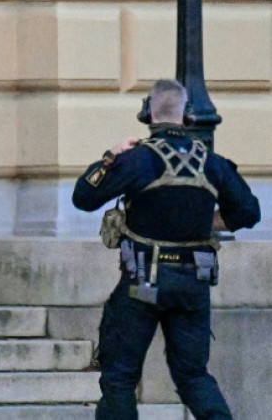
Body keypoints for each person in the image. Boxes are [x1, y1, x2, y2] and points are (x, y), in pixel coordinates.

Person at [72, 79, 260, 419]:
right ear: (188, 115)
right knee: (193, 377)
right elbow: (249, 212)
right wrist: (208, 222)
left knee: (119, 379)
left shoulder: (136, 160)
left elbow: (83, 198)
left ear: (147, 114)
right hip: (192, 286)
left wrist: (110, 156)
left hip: (141, 284)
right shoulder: (212, 163)